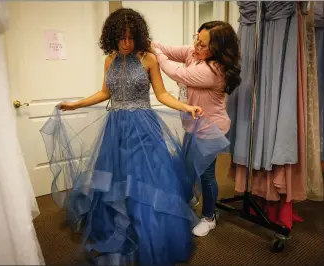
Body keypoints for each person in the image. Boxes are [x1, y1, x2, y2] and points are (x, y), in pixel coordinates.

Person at [48, 8, 205, 266]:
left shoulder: (148, 59)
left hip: (143, 126)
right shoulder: (109, 60)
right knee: (115, 176)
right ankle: (117, 225)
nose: (127, 43)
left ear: (139, 37)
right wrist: (77, 104)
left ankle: (149, 234)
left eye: (132, 38)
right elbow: (104, 93)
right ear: (112, 37)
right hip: (115, 127)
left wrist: (187, 106)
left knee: (145, 177)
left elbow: (162, 94)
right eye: (121, 38)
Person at [151, 21, 241, 237]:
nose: (195, 47)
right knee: (187, 165)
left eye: (203, 45)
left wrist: (154, 52)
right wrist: (150, 43)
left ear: (218, 49)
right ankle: (191, 198)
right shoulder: (195, 53)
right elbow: (169, 50)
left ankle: (209, 217)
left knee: (206, 175)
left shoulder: (213, 71)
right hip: (193, 125)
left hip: (211, 129)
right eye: (196, 40)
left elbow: (175, 73)